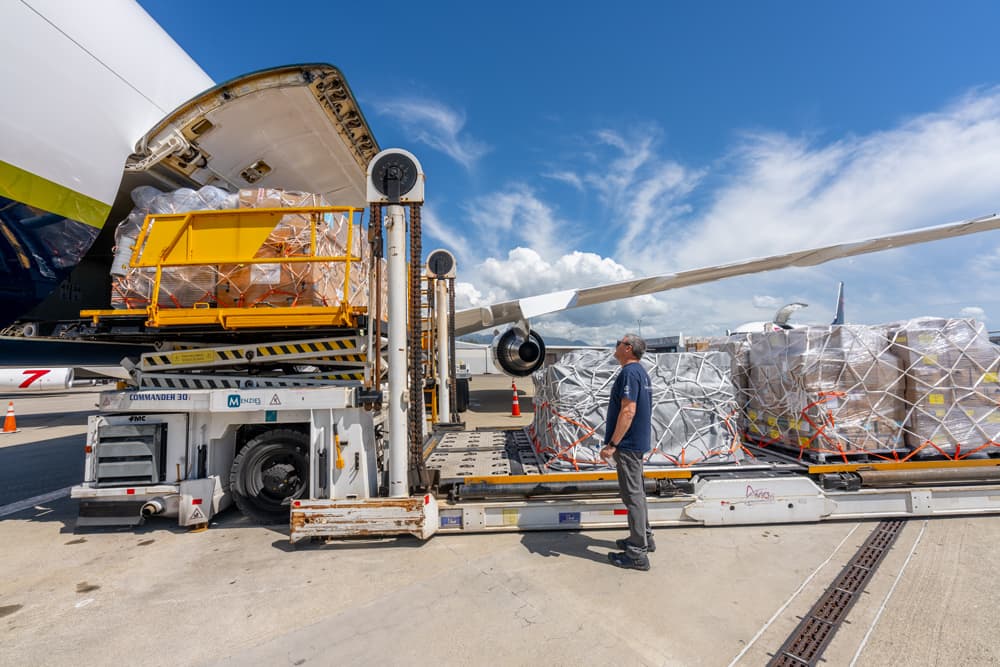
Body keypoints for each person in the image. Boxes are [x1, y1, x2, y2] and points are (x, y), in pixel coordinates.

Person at [600, 333, 654, 571]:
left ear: (628, 348)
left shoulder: (630, 373)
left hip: (629, 444)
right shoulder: (641, 372)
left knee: (632, 497)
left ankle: (637, 554)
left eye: (618, 343)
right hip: (636, 443)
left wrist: (612, 444)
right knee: (638, 494)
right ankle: (644, 538)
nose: (616, 346)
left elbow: (628, 410)